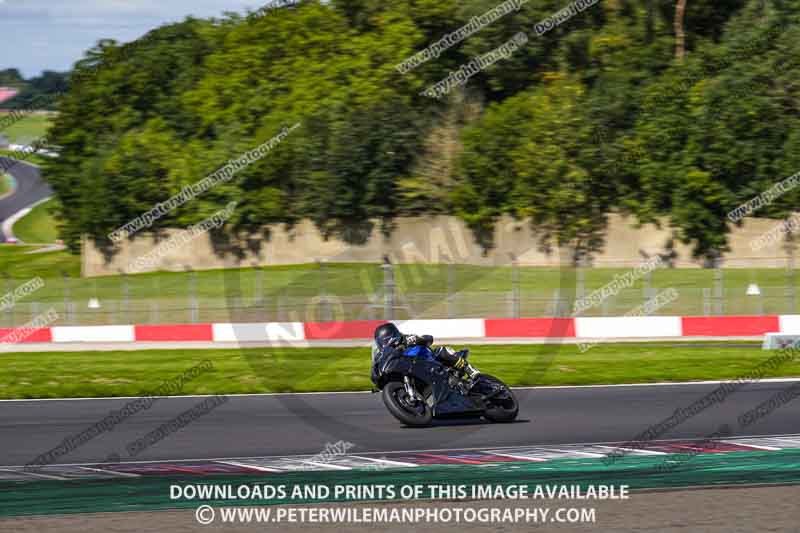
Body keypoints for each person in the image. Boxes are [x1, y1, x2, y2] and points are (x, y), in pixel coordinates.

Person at [372, 322, 480, 380]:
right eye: (382, 343)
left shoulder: (406, 340)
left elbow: (429, 338)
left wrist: (417, 339)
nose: (385, 345)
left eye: (387, 341)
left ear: (394, 336)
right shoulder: (389, 356)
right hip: (417, 372)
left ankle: (469, 369)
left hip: (433, 363)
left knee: (441, 351)